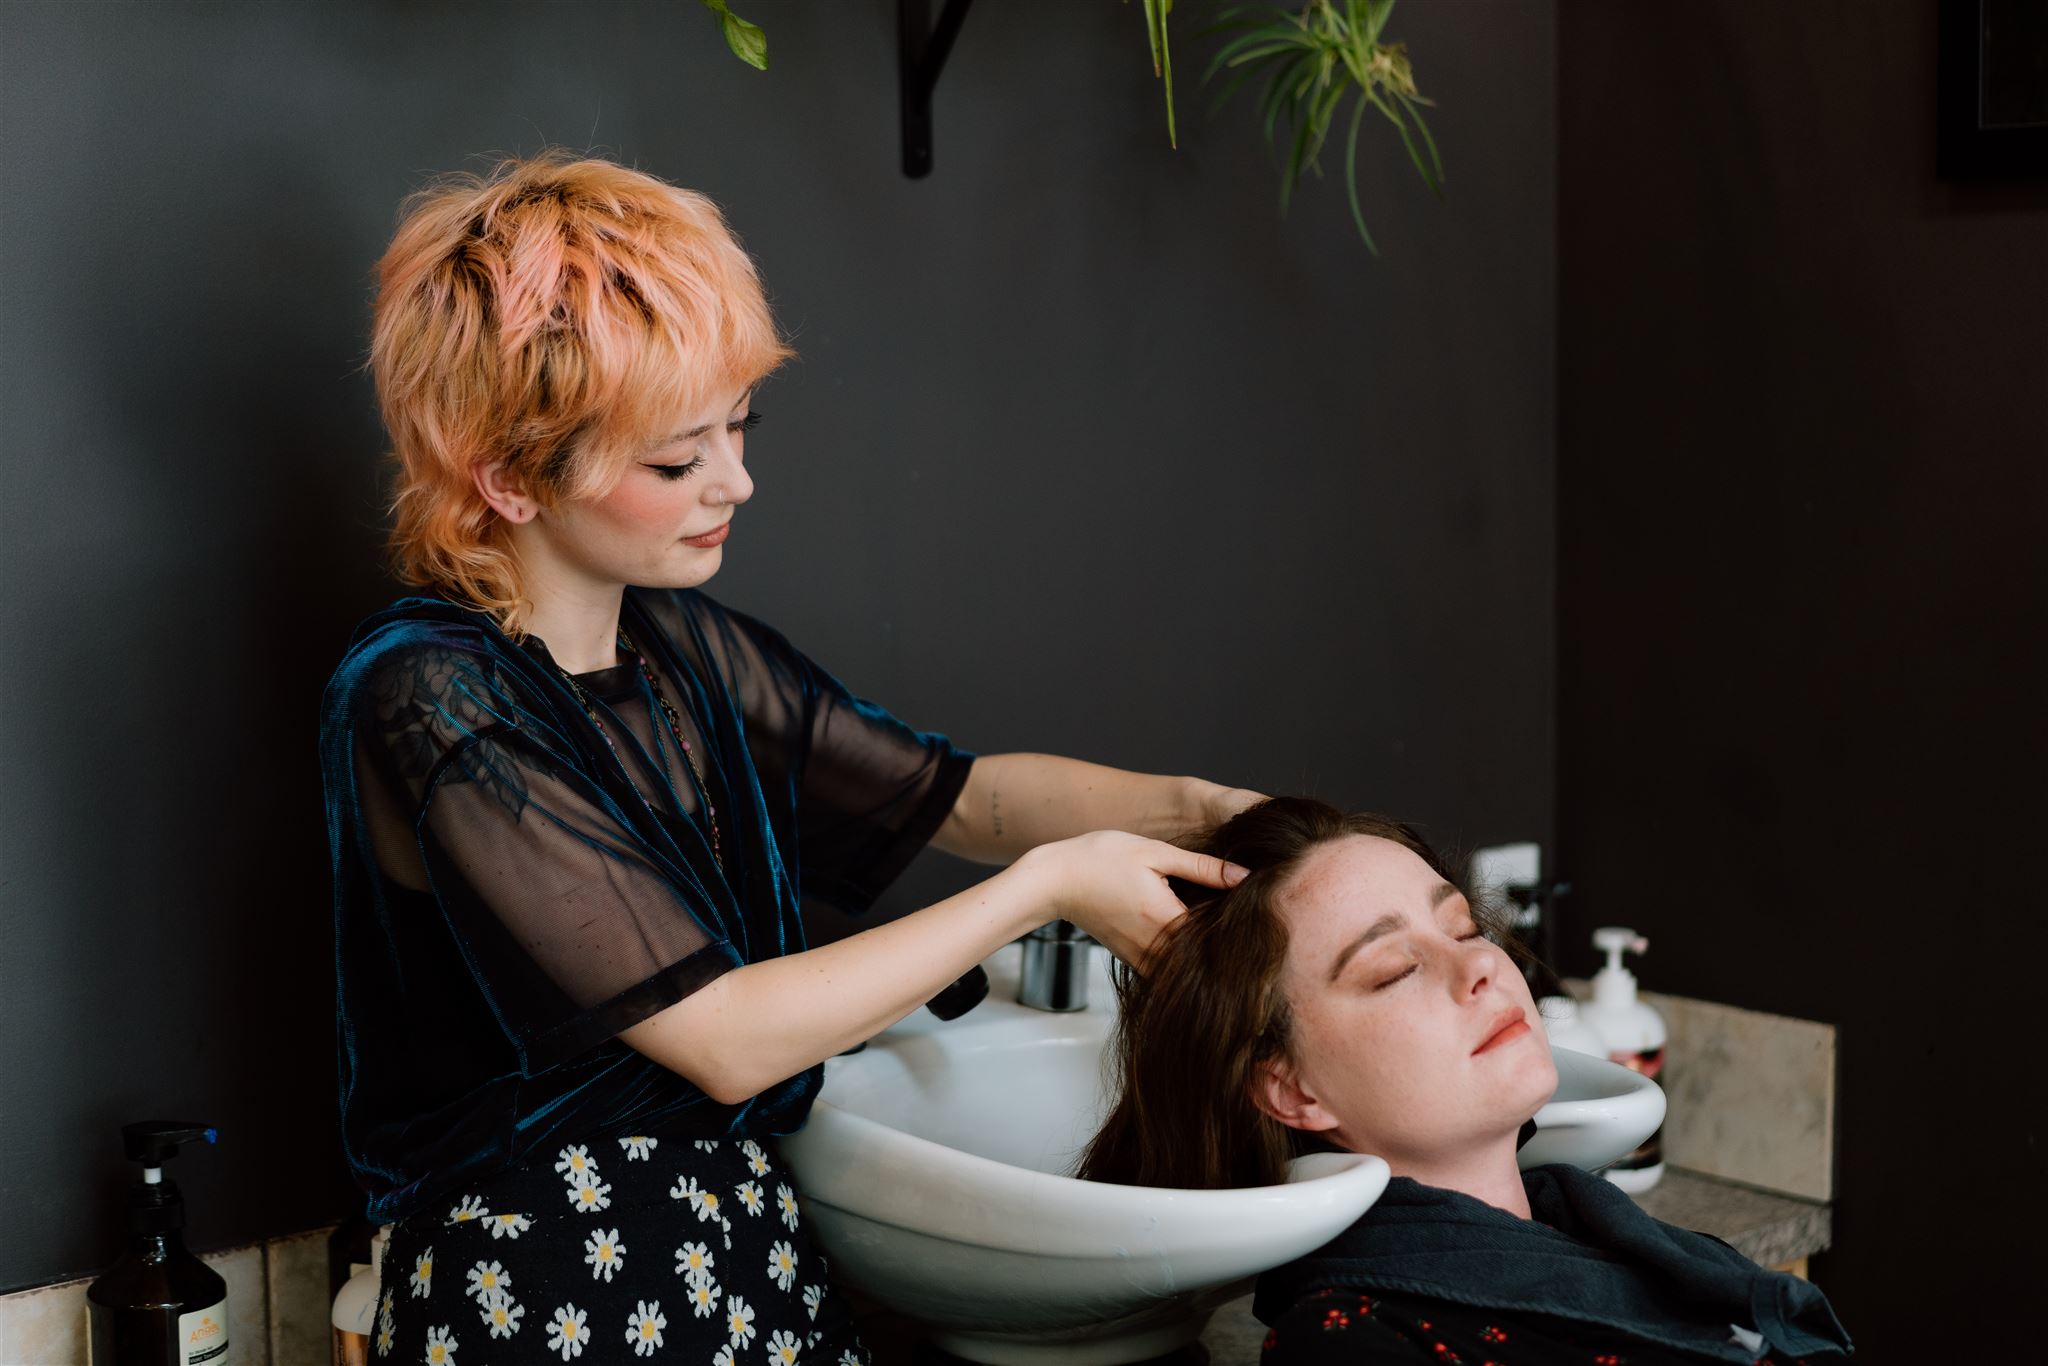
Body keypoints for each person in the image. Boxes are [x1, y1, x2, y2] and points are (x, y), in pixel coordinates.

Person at [320, 148, 1264, 1365]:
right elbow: (721, 1036)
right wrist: (1044, 887)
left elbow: (963, 797)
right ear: (506, 477)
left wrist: (1210, 808)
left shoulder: (679, 643)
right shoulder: (427, 693)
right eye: (677, 460)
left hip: (744, 1246)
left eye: (736, 428)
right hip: (546, 1285)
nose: (738, 481)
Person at [1081, 797, 1854, 1365]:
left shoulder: (1623, 1240)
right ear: (1290, 1089)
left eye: (1461, 928)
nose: (1483, 965)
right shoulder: (1358, 1346)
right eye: (1396, 970)